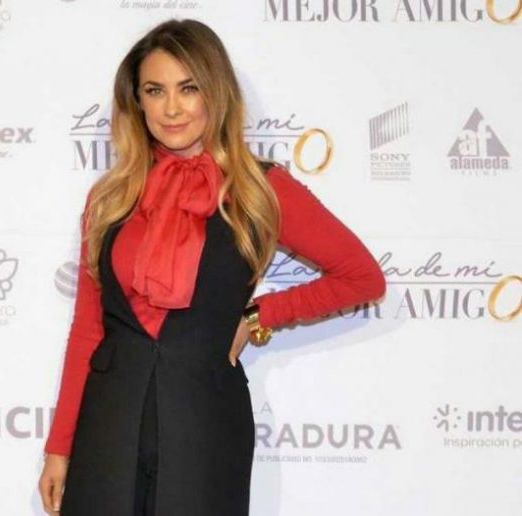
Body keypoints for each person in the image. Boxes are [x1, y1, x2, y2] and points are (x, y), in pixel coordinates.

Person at [38, 18, 386, 516]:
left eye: (189, 88)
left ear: (215, 93)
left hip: (205, 422)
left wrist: (259, 316)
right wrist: (59, 447)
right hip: (108, 423)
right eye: (155, 90)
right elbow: (88, 329)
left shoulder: (260, 188)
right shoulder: (110, 197)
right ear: (137, 101)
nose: (171, 108)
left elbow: (361, 277)